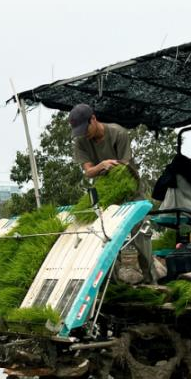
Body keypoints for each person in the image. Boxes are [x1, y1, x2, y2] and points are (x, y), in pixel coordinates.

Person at [68, 103, 160, 284]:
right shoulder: (80, 141)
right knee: (103, 237)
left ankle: (151, 282)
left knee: (140, 236)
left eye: (84, 128)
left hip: (130, 193)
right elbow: (88, 172)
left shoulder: (118, 134)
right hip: (104, 195)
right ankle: (114, 285)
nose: (83, 134)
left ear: (93, 119)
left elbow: (123, 169)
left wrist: (108, 167)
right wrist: (101, 166)